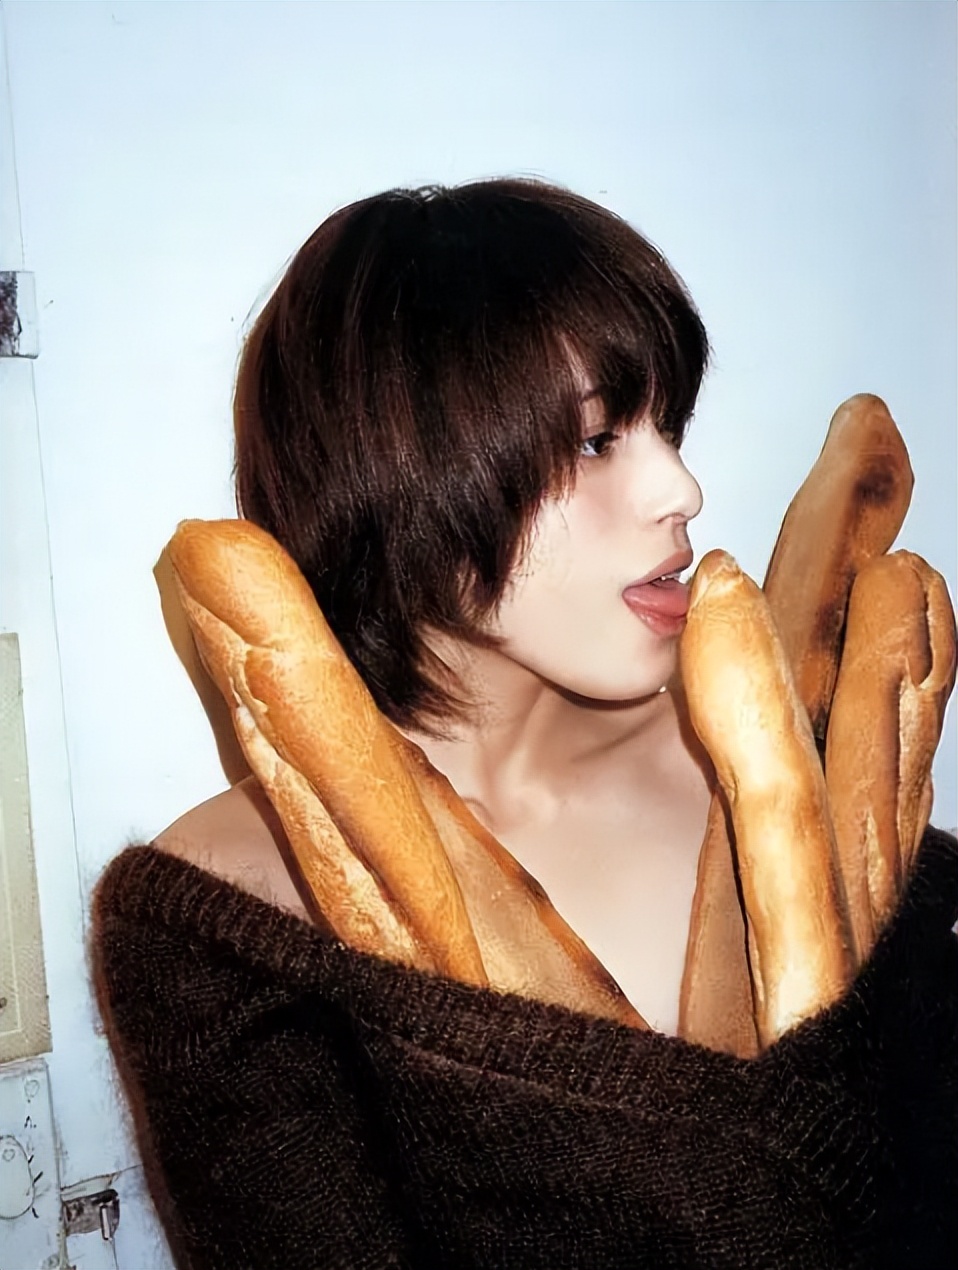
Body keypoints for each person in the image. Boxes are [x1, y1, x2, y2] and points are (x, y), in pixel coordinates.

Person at [92, 179, 957, 1269]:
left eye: (667, 426)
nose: (681, 487)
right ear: (397, 472)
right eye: (596, 440)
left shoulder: (816, 787)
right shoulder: (226, 916)